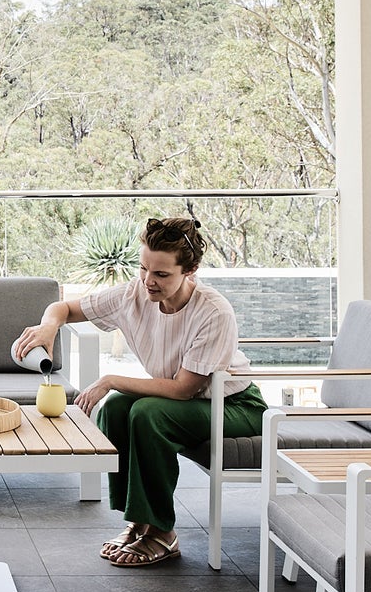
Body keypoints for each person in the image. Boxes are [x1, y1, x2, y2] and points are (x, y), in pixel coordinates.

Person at [14, 216, 263, 567]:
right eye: (143, 268)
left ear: (190, 270)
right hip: (189, 403)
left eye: (162, 274)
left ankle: (162, 532)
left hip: (235, 406)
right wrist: (48, 327)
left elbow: (183, 389)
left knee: (147, 413)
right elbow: (65, 307)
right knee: (116, 409)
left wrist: (110, 379)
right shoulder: (134, 294)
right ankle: (138, 522)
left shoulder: (213, 311)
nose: (149, 281)